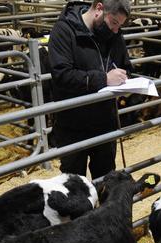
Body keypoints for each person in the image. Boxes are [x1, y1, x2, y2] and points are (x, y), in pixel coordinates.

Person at [49, 0, 133, 179]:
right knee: (73, 183)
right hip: (72, 123)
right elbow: (62, 75)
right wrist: (104, 79)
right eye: (114, 23)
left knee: (105, 178)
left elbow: (125, 65)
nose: (116, 30)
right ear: (99, 9)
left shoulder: (115, 35)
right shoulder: (64, 31)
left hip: (105, 122)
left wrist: (126, 80)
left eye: (120, 25)